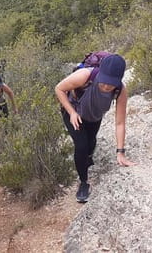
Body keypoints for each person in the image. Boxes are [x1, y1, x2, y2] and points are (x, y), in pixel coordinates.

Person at [54, 54, 136, 203]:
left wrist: (120, 152)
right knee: (81, 145)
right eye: (104, 82)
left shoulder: (120, 91)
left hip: (94, 115)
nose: (106, 87)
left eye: (111, 84)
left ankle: (88, 159)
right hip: (74, 112)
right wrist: (71, 112)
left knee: (91, 141)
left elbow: (120, 123)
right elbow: (59, 89)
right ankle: (83, 182)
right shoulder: (85, 76)